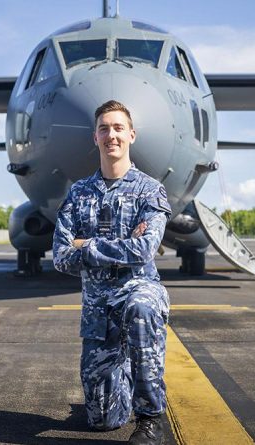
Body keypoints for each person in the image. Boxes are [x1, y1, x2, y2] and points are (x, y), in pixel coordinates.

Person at [52, 100, 171, 445]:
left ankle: (150, 418)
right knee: (102, 420)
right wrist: (120, 246)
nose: (111, 135)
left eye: (118, 128)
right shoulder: (79, 193)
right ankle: (121, 377)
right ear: (95, 137)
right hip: (98, 312)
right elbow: (60, 257)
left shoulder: (150, 190)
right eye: (104, 128)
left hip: (140, 289)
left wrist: (86, 246)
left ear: (131, 134)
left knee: (141, 308)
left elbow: (146, 249)